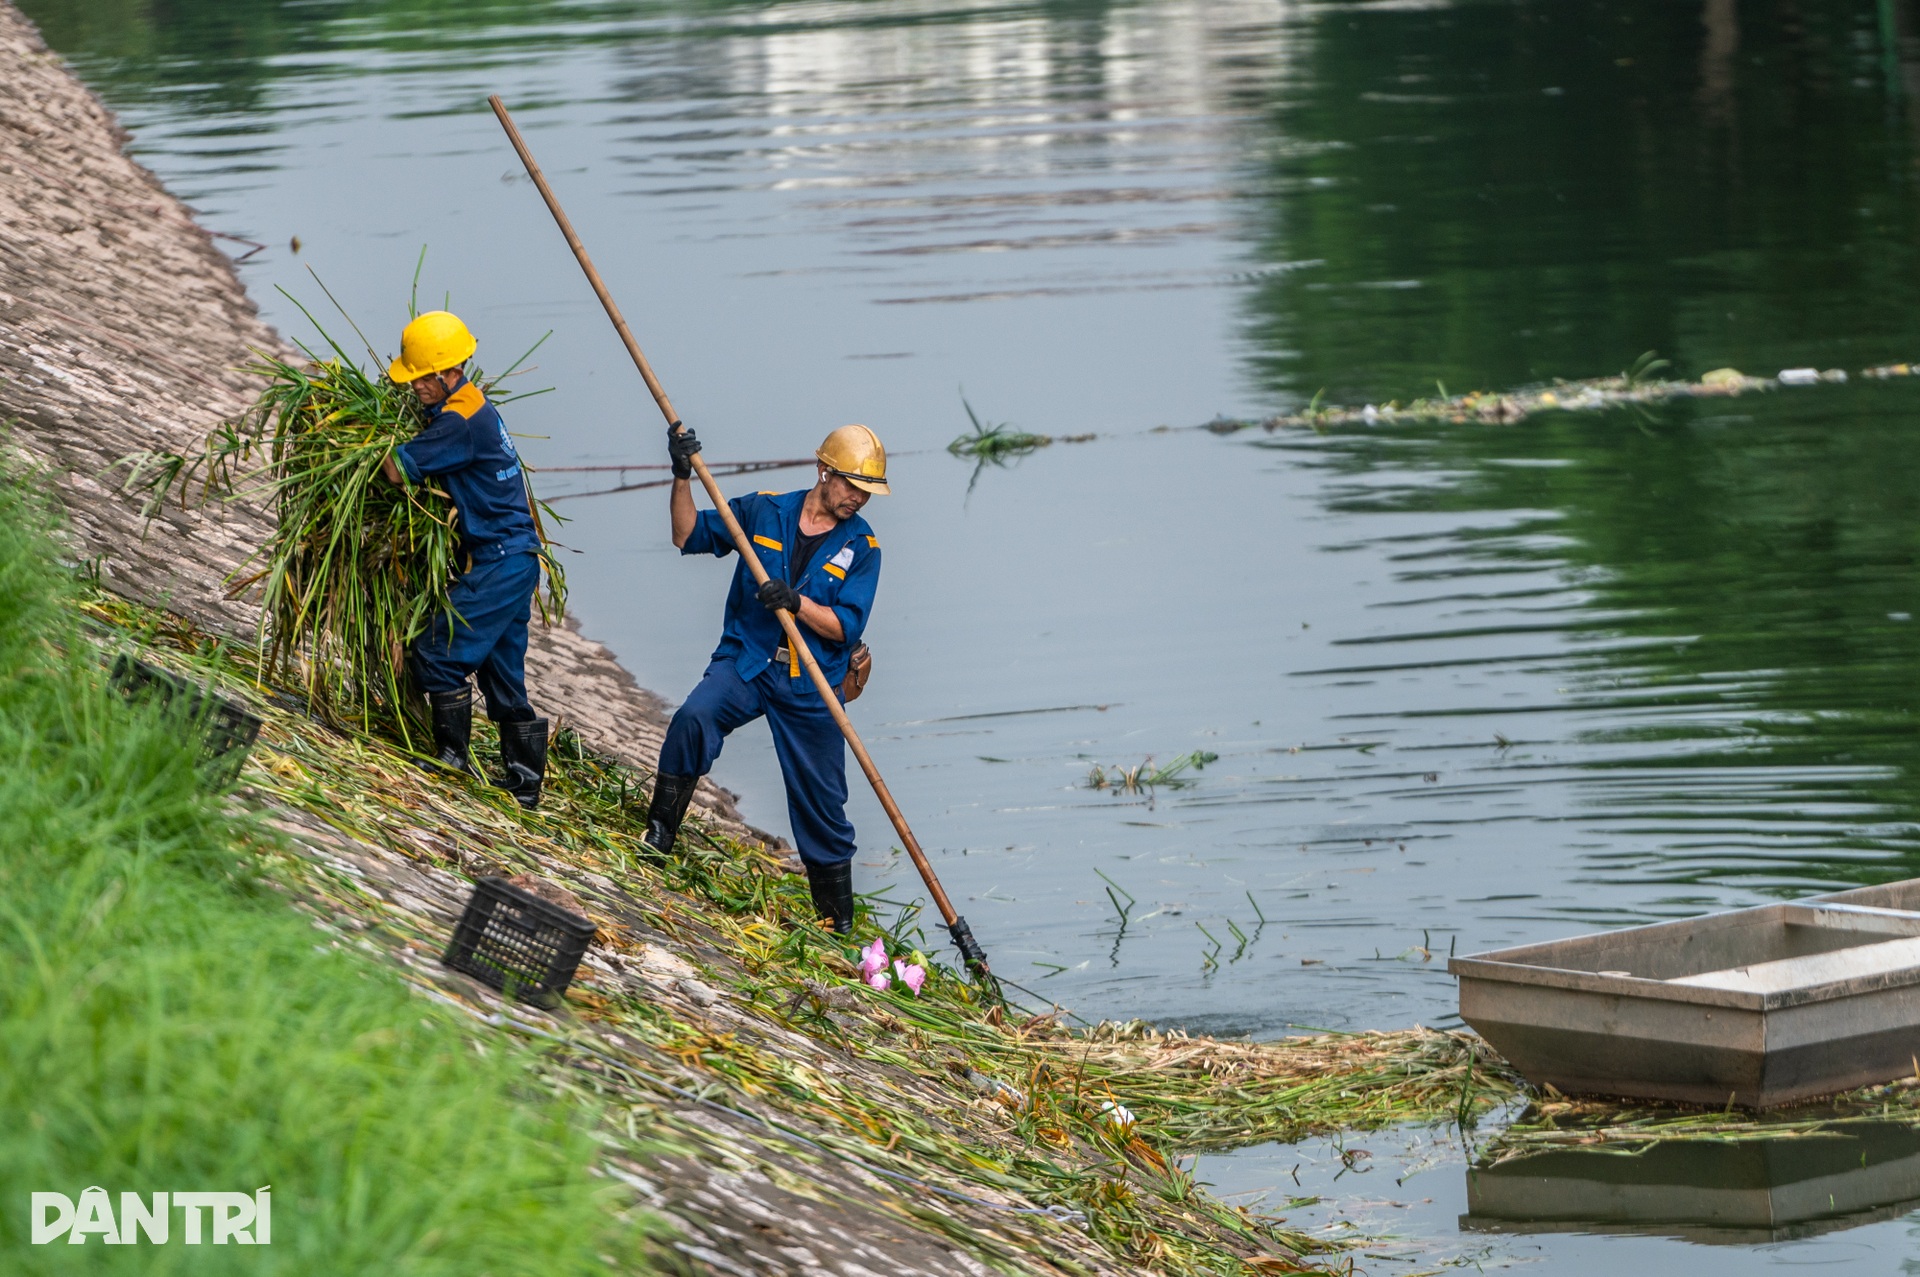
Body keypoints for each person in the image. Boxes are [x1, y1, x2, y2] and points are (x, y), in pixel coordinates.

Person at [644, 422, 886, 933]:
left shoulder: (863, 547)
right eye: (852, 486)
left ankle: (836, 923)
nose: (858, 500)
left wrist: (797, 604)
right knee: (693, 718)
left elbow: (846, 626)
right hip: (750, 660)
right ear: (824, 471)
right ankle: (658, 840)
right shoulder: (765, 509)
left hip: (812, 679)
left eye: (867, 492)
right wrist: (681, 474)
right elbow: (686, 534)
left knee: (823, 802)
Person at [379, 310, 550, 809]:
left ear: (447, 373)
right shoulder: (471, 405)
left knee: (436, 652)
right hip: (516, 559)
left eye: (419, 380)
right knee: (500, 672)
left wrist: (371, 448)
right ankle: (525, 785)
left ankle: (451, 758)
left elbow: (396, 470)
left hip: (499, 562)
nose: (414, 389)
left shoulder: (460, 421)